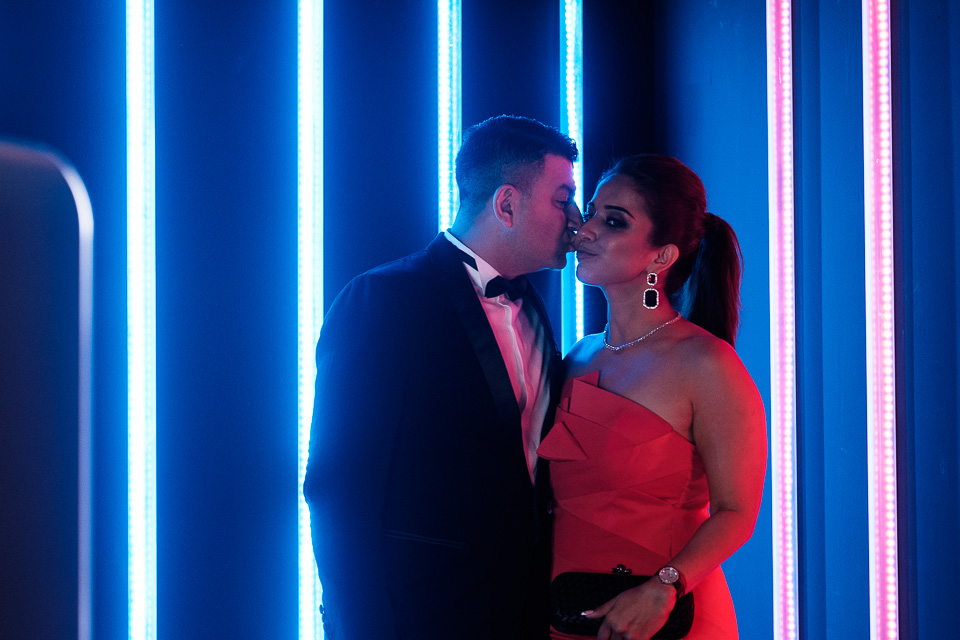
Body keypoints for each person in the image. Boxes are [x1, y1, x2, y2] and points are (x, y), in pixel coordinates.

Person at [303, 115, 582, 640]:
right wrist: (358, 625)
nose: (576, 219)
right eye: (562, 198)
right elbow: (338, 486)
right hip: (420, 613)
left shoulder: (537, 308)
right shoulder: (384, 300)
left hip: (523, 611)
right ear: (506, 204)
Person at [538, 155, 767, 640]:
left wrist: (664, 587)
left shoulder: (708, 365)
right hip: (570, 616)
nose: (586, 230)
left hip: (665, 619)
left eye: (614, 220)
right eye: (593, 211)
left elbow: (738, 512)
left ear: (660, 257)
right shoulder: (578, 355)